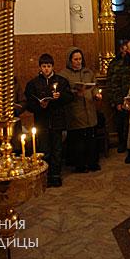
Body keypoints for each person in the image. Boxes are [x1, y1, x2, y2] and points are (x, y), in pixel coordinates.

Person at [25, 53, 73, 187]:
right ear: (40, 67)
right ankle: (45, 176)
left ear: (53, 67)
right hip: (42, 121)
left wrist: (60, 96)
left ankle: (56, 175)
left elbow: (69, 98)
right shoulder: (33, 83)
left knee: (57, 149)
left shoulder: (61, 81)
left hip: (57, 120)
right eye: (44, 66)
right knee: (44, 149)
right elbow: (29, 103)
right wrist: (39, 105)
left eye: (49, 66)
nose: (46, 69)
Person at [59, 47, 102, 173]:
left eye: (80, 59)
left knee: (91, 139)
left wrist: (96, 94)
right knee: (78, 141)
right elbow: (64, 92)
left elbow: (94, 86)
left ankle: (93, 163)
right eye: (75, 59)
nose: (78, 62)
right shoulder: (64, 75)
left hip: (89, 109)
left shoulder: (88, 72)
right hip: (75, 112)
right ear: (70, 60)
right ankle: (80, 164)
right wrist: (75, 92)